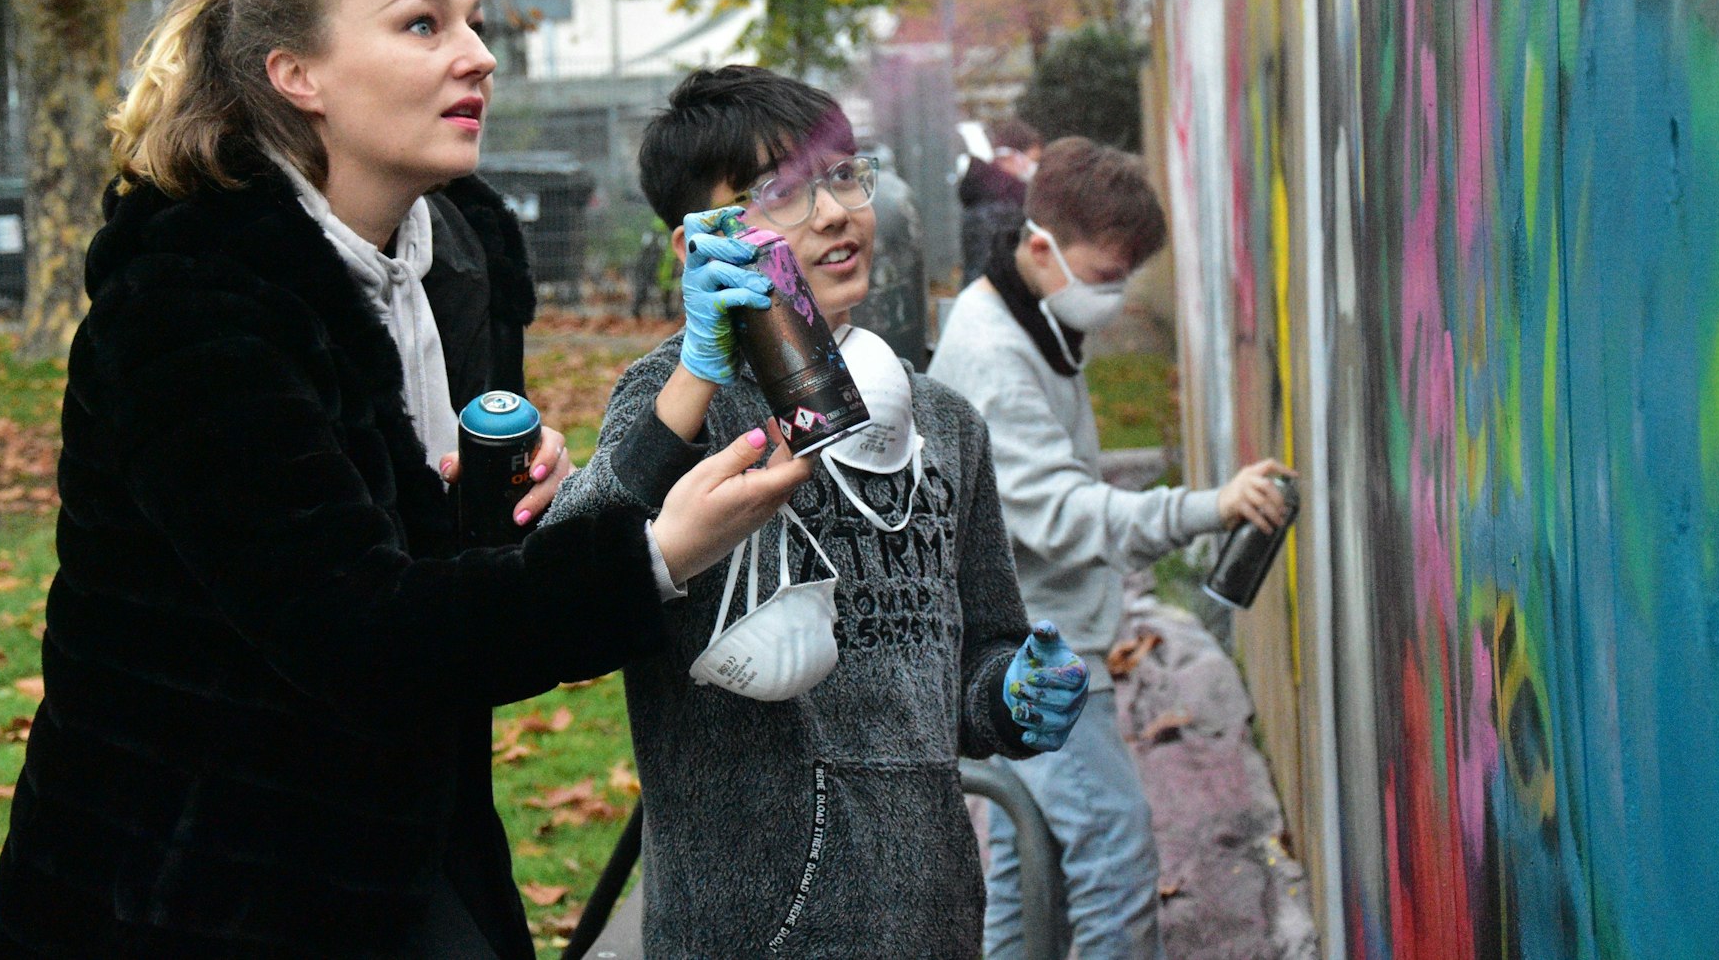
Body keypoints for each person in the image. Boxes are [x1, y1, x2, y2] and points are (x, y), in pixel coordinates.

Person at [0, 0, 809, 960]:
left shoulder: (441, 262)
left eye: (472, 22)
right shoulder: (190, 303)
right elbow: (354, 629)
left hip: (401, 835)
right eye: (421, 25)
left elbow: (416, 568)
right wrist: (652, 557)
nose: (477, 55)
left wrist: (487, 510)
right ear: (298, 74)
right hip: (193, 877)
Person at [549, 65, 1090, 958]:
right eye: (783, 193)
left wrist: (1011, 696)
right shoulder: (675, 401)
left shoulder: (945, 423)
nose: (836, 211)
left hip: (932, 913)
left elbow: (973, 658)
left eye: (844, 173)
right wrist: (695, 373)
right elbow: (570, 577)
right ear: (698, 246)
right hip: (750, 930)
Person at [928, 136, 1293, 960]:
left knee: (1033, 863)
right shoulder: (994, 354)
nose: (1115, 297)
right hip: (1034, 649)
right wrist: (1207, 507)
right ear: (1039, 245)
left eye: (1125, 276)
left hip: (1028, 639)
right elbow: (1063, 513)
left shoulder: (1032, 316)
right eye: (1102, 276)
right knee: (1115, 852)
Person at [957, 117, 1043, 284]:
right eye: (1033, 160)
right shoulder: (1004, 205)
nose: (1034, 167)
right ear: (1012, 156)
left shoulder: (984, 192)